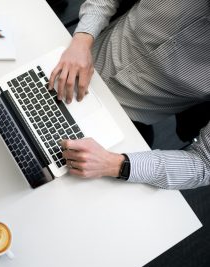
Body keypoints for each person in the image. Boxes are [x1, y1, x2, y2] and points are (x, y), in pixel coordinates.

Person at [48, 0, 210, 190]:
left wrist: (114, 164)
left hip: (123, 123)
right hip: (74, 58)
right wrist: (82, 40)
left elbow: (204, 164)